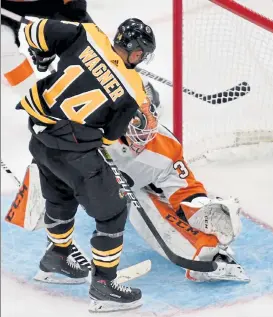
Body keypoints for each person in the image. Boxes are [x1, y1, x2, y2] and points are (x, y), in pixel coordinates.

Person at [7, 79, 249, 284]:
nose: (142, 136)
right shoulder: (91, 124)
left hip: (129, 187)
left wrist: (201, 207)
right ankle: (56, 246)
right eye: (134, 124)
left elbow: (185, 188)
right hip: (83, 175)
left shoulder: (165, 147)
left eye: (147, 122)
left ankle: (206, 257)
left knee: (145, 202)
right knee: (47, 175)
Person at [13, 15, 157, 312]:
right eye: (141, 53)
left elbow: (34, 32)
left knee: (61, 193)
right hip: (73, 150)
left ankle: (57, 257)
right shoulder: (134, 88)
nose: (141, 59)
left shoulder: (87, 33)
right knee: (114, 208)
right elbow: (109, 136)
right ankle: (104, 286)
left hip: (40, 139)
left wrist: (41, 56)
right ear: (134, 50)